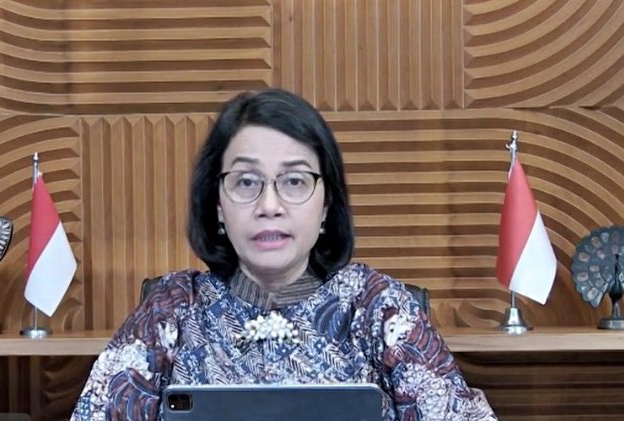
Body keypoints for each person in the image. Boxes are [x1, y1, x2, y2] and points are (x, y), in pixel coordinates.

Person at [72, 88, 497, 420]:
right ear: (217, 205)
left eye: (294, 181)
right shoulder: (172, 310)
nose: (270, 205)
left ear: (326, 205)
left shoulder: (377, 309)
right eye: (246, 182)